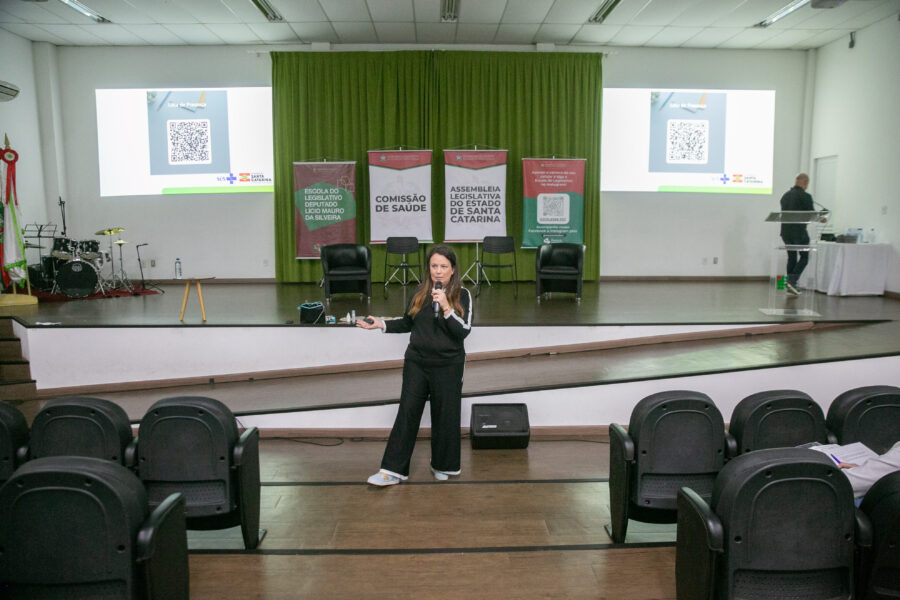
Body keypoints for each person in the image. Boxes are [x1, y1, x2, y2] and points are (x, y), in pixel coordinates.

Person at [356, 244, 473, 486]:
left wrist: (446, 307)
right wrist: (380, 323)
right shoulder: (419, 292)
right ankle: (392, 470)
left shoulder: (463, 295)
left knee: (445, 416)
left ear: (453, 270)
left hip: (448, 365)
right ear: (428, 268)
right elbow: (407, 322)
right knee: (407, 412)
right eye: (434, 266)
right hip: (417, 362)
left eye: (443, 266)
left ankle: (443, 464)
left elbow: (463, 331)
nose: (438, 271)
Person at [779, 173, 815, 296]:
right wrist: (822, 217)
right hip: (799, 232)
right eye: (807, 184)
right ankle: (791, 281)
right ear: (805, 183)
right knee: (804, 257)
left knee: (792, 257)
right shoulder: (806, 197)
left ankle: (790, 285)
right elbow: (811, 215)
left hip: (785, 232)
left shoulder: (785, 196)